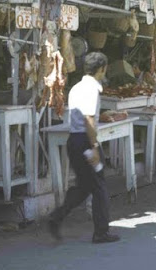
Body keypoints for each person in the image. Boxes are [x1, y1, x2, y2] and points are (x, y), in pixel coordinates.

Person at [48, 52, 120, 244]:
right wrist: (95, 147)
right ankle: (101, 232)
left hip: (74, 141)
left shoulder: (76, 87)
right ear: (102, 68)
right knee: (99, 186)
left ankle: (56, 217)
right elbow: (88, 120)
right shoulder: (91, 89)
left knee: (85, 186)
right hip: (85, 143)